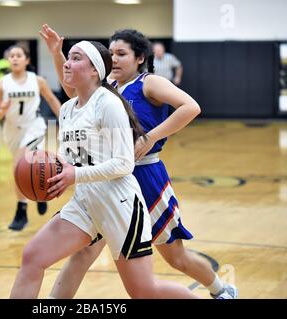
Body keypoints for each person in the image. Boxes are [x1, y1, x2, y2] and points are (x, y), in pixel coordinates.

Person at [39, 25, 238, 299]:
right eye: (111, 54)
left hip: (145, 177)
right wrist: (56, 53)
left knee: (175, 257)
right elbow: (73, 92)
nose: (115, 59)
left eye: (122, 53)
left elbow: (191, 107)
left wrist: (149, 138)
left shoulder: (149, 83)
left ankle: (221, 290)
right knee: (83, 253)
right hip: (106, 180)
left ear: (140, 58)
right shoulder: (106, 87)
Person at [10, 40, 199, 299]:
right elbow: (70, 158)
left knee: (144, 292)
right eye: (68, 57)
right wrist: (52, 171)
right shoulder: (67, 110)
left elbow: (124, 163)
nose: (67, 63)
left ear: (94, 71)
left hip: (120, 205)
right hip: (85, 203)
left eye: (76, 58)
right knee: (33, 256)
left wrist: (74, 175)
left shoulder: (108, 104)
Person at [0, 45, 61, 231]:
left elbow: (52, 100)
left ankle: (21, 211)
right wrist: (2, 111)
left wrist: (66, 119)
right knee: (25, 167)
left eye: (18, 55)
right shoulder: (0, 84)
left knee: (20, 165)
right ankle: (39, 192)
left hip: (34, 127)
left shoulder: (37, 81)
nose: (14, 58)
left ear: (27, 60)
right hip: (12, 130)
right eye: (11, 55)